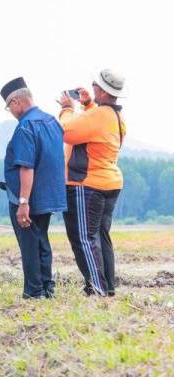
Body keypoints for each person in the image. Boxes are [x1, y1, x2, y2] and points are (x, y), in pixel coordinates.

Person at [58, 69, 127, 297]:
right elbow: (93, 130)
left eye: (94, 86)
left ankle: (97, 289)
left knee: (85, 238)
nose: (92, 89)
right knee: (101, 236)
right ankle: (107, 287)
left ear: (102, 91)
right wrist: (87, 105)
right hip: (110, 183)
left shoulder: (100, 116)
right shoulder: (115, 117)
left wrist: (68, 108)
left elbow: (66, 131)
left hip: (88, 184)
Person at [1, 77, 66, 299]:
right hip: (48, 195)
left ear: (17, 101)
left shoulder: (25, 127)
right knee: (42, 240)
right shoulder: (53, 122)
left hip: (28, 197)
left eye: (9, 106)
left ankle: (34, 291)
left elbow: (26, 167)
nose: (10, 111)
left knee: (29, 244)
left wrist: (23, 201)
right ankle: (48, 287)